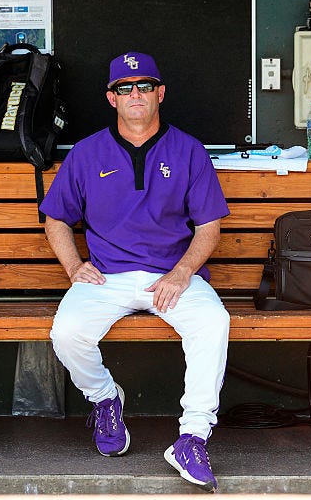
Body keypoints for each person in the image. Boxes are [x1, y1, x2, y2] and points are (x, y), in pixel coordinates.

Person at [39, 51, 231, 493]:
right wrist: (73, 266)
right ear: (111, 98)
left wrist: (182, 273)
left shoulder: (188, 150)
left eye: (144, 85)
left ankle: (192, 437)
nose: (135, 94)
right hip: (107, 276)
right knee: (67, 331)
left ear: (160, 92)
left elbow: (208, 227)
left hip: (172, 276)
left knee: (213, 322)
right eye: (124, 88)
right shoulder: (88, 153)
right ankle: (105, 398)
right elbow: (56, 219)